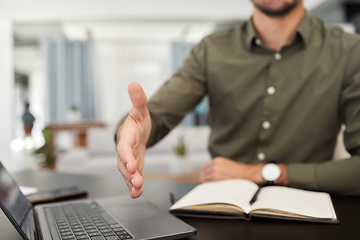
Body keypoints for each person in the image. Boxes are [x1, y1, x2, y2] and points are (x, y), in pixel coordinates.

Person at [116, 0, 360, 199]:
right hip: (221, 210)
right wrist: (133, 132)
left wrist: (266, 173)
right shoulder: (212, 49)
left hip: (311, 214)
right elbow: (155, 114)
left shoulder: (349, 51)